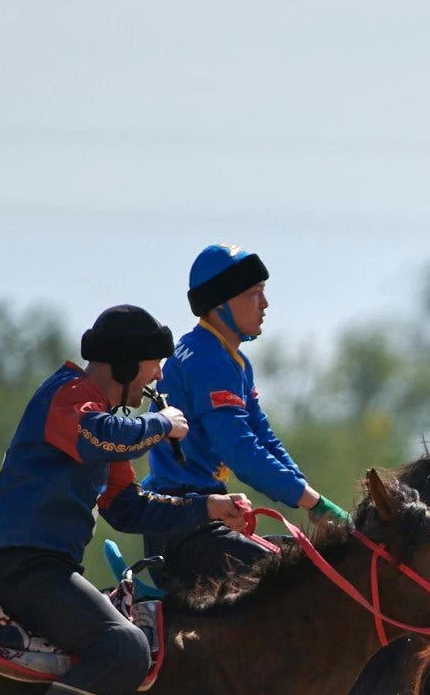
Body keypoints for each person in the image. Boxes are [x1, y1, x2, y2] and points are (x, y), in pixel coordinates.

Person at [0, 304, 257, 695]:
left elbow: (127, 506)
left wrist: (208, 509)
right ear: (122, 364)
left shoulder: (108, 421)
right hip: (19, 564)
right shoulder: (71, 397)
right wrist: (163, 426)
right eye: (151, 368)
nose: (156, 381)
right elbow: (101, 438)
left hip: (42, 566)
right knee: (124, 648)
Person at [143, 243, 346, 595]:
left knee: (314, 563)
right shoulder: (210, 360)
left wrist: (312, 497)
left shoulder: (229, 358)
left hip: (199, 521)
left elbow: (263, 437)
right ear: (221, 303)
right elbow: (241, 452)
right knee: (307, 585)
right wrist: (313, 502)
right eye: (255, 294)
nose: (265, 305)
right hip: (186, 533)